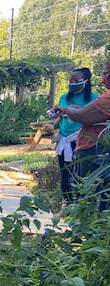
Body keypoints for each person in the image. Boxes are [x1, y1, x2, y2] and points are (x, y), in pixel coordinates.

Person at [53, 60, 110, 210]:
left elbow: (84, 116)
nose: (103, 78)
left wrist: (67, 110)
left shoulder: (103, 99)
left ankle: (85, 216)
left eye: (105, 73)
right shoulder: (65, 97)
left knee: (86, 186)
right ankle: (72, 206)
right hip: (79, 142)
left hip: (94, 148)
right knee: (68, 175)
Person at [49, 68, 98, 204]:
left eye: (77, 81)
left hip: (81, 139)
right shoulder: (64, 98)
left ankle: (79, 204)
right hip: (63, 138)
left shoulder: (94, 99)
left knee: (77, 173)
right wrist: (55, 116)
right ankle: (67, 202)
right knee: (65, 172)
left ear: (86, 82)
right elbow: (60, 115)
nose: (73, 83)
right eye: (71, 81)